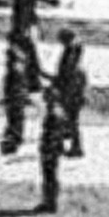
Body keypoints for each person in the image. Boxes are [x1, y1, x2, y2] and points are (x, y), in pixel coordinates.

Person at [48, 28, 88, 158]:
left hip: (70, 94)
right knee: (69, 121)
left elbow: (64, 75)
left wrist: (57, 86)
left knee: (68, 121)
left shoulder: (70, 57)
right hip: (72, 93)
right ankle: (67, 145)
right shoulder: (73, 55)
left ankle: (73, 147)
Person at [35, 89, 66, 213]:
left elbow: (53, 134)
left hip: (50, 150)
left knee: (49, 176)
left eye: (46, 98)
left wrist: (48, 151)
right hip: (52, 149)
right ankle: (48, 201)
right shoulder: (57, 111)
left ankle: (50, 203)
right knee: (49, 176)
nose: (44, 100)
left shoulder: (53, 114)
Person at [2, 34, 32, 154]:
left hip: (15, 93)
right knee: (15, 116)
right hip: (15, 92)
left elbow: (17, 79)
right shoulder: (19, 59)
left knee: (15, 115)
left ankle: (14, 139)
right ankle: (14, 136)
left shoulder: (17, 61)